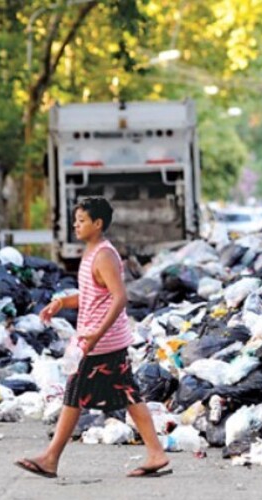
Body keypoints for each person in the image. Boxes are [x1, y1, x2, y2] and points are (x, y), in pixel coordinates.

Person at [15, 197, 170, 478]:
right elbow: (90, 296)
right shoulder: (90, 252)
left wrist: (97, 333)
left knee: (75, 393)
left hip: (100, 341)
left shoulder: (104, 255)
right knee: (128, 392)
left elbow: (119, 297)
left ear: (98, 224)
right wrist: (62, 303)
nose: (76, 225)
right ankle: (156, 453)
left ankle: (50, 458)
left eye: (82, 220)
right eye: (75, 220)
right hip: (99, 338)